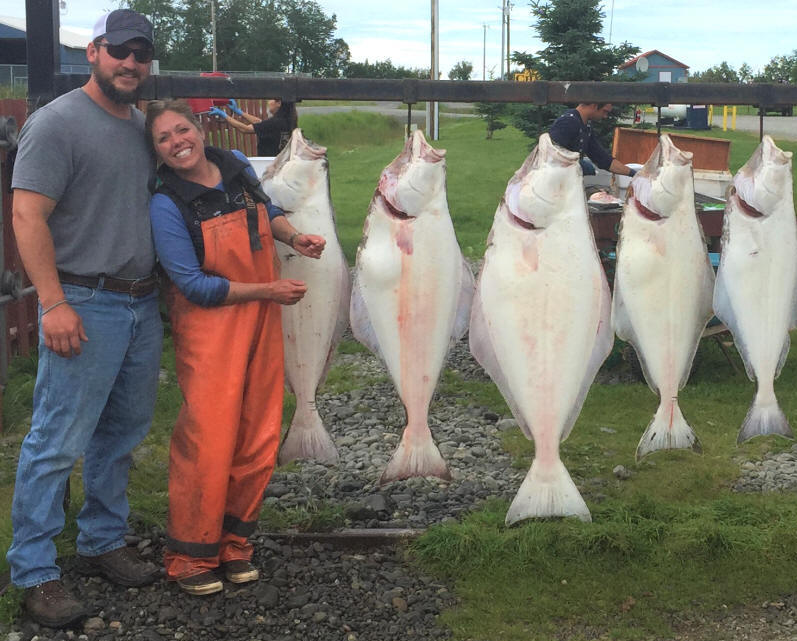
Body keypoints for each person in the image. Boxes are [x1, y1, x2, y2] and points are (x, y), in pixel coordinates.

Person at [8, 9, 163, 628]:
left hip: (140, 303)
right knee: (55, 441)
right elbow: (26, 217)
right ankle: (35, 571)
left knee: (120, 436)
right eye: (119, 51)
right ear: (94, 52)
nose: (131, 63)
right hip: (84, 301)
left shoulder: (141, 127)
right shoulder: (58, 123)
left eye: (141, 53)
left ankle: (102, 541)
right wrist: (52, 303)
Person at [146, 99, 325, 595]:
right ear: (156, 151)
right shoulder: (165, 202)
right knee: (209, 440)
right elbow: (193, 286)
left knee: (259, 434)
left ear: (200, 129)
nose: (177, 141)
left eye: (182, 129)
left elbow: (266, 212)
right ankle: (188, 553)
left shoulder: (236, 165)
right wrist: (269, 291)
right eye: (164, 138)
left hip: (261, 321)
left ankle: (234, 543)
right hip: (211, 329)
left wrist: (293, 237)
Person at [549, 103, 637, 178]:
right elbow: (550, 157)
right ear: (594, 106)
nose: (605, 116)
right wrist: (578, 165)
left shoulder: (585, 127)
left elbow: (602, 159)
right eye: (604, 111)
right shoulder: (567, 122)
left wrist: (634, 174)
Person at [209, 98, 298, 156]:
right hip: (279, 161)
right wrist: (239, 112)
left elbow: (245, 129)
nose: (268, 102)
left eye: (271, 99)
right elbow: (259, 122)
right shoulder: (286, 120)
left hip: (268, 164)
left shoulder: (274, 123)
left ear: (279, 103)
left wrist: (223, 115)